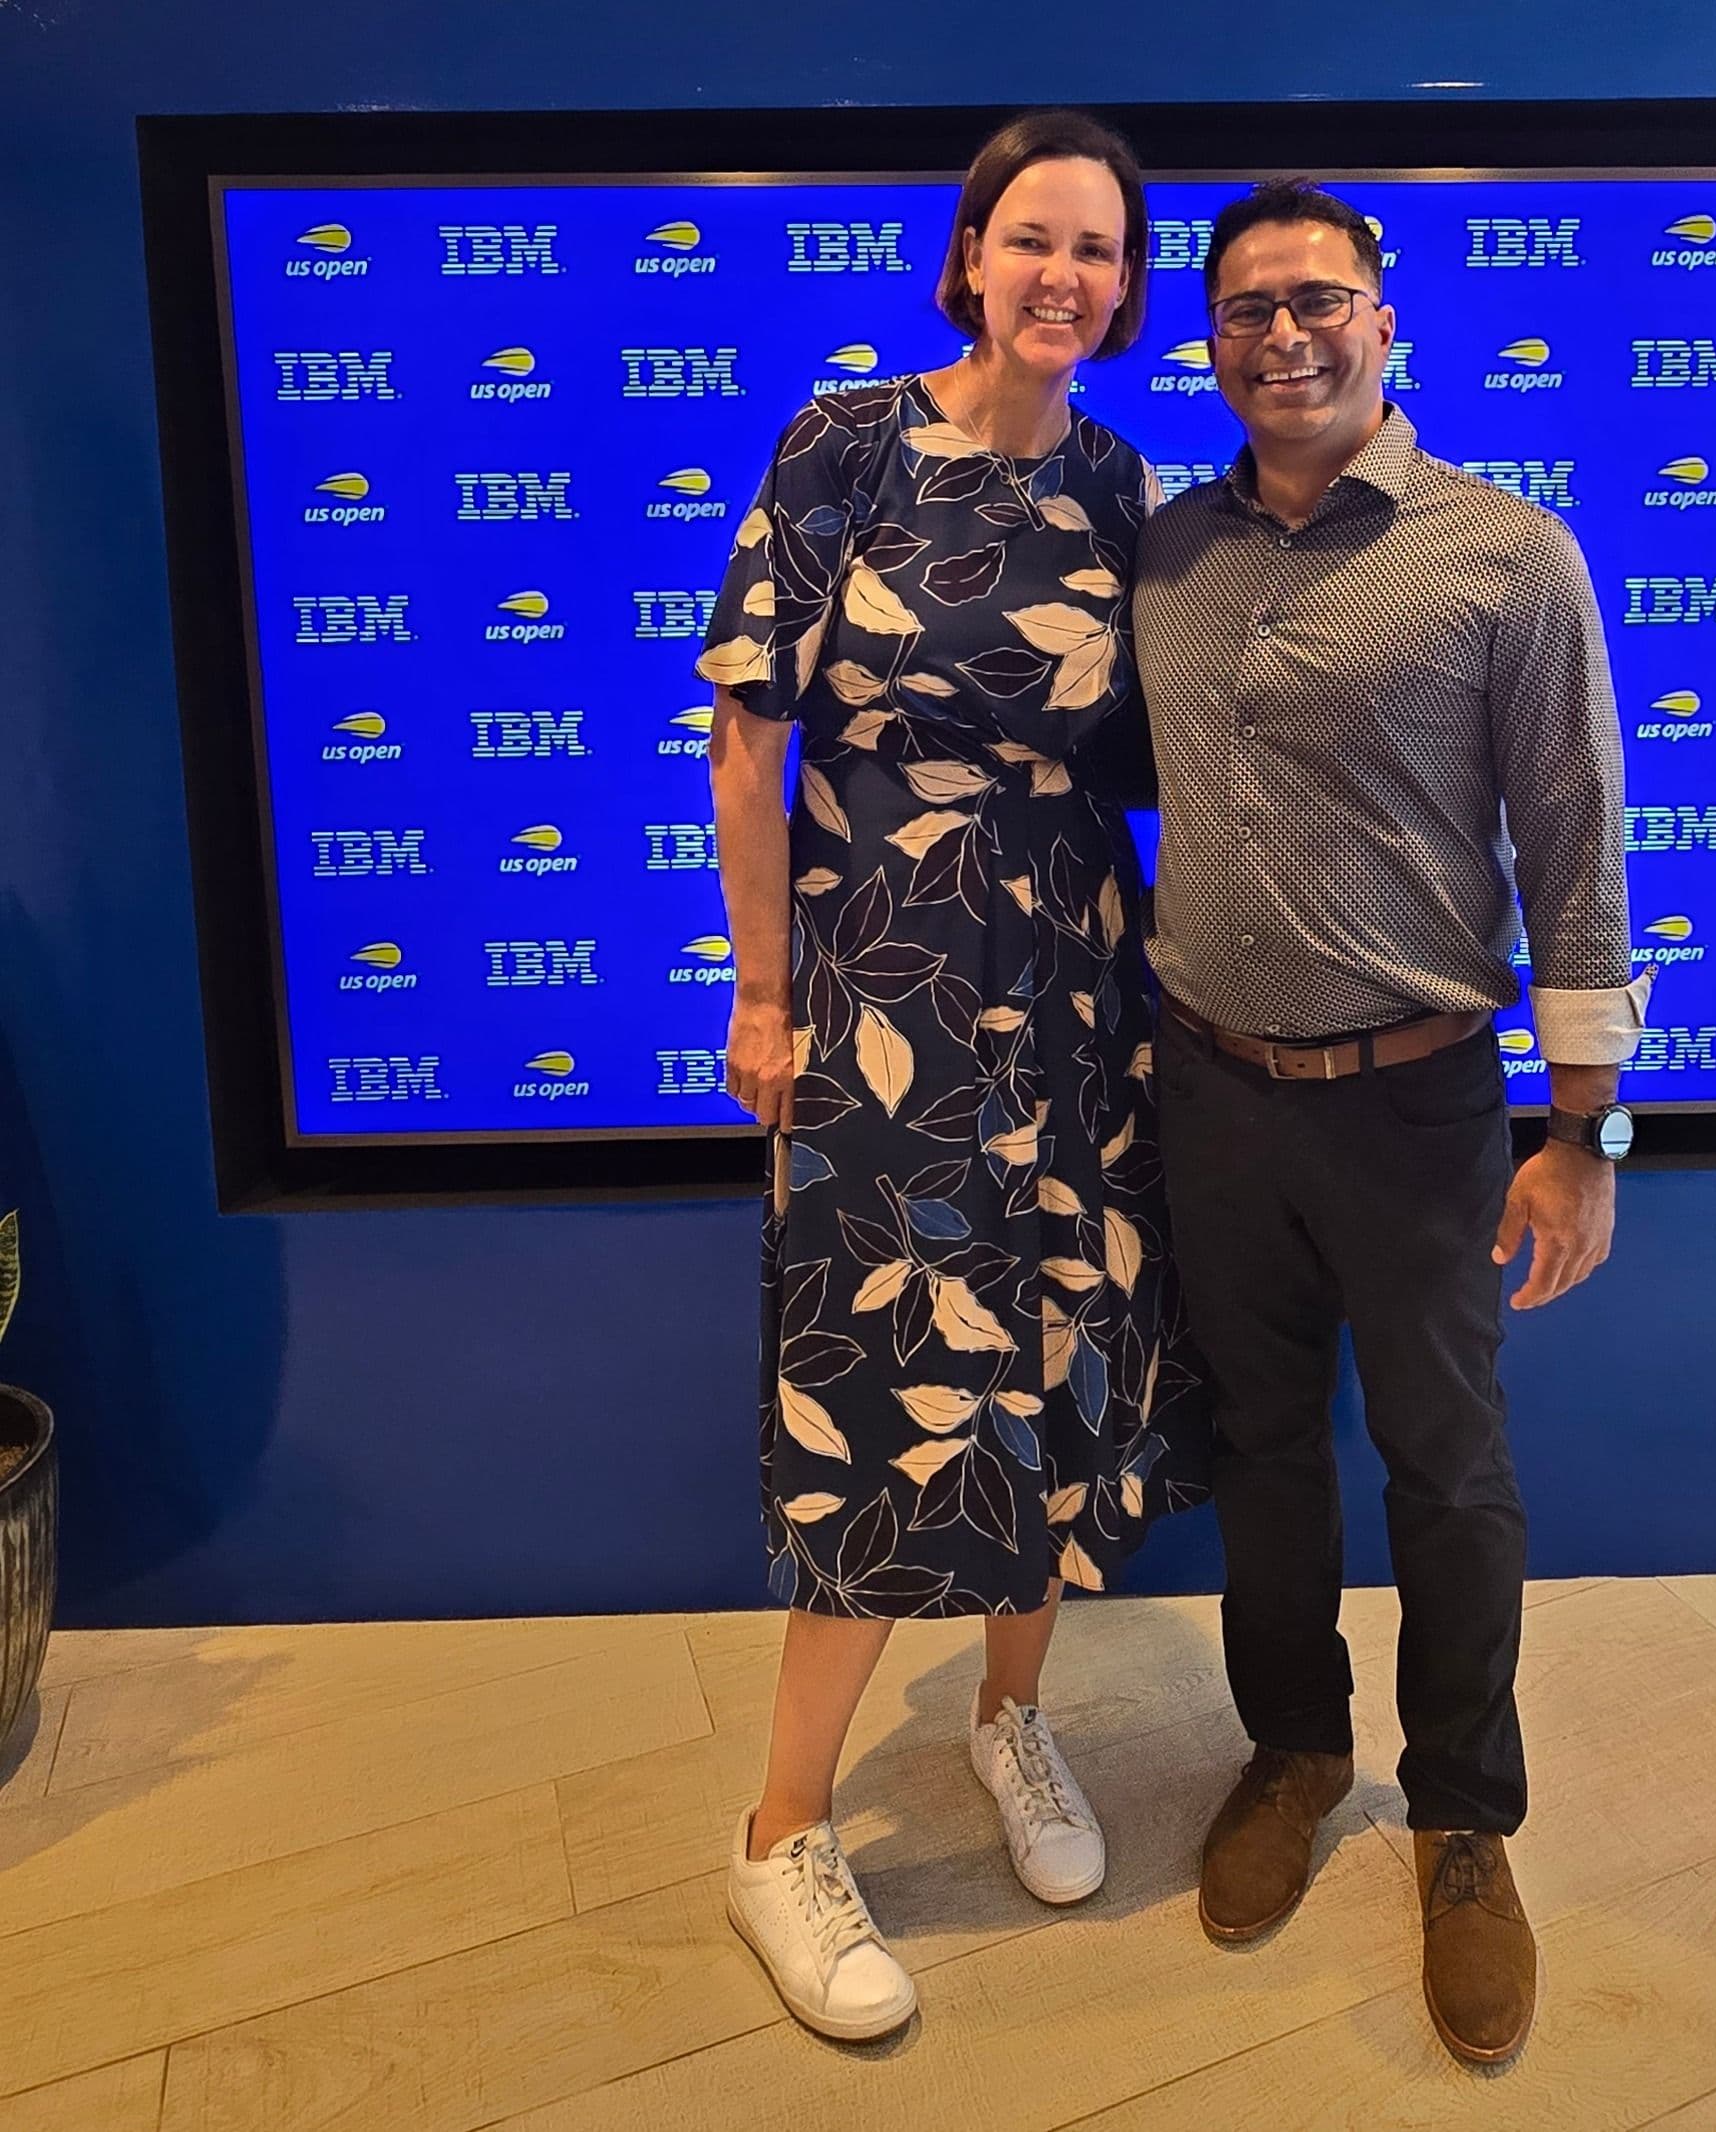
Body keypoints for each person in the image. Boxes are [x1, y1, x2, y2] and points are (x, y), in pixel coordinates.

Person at [697, 111, 1207, 2043]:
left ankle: (1012, 1722)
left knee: (1056, 1346)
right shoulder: (841, 444)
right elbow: (750, 740)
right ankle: (780, 1833)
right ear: (969, 255)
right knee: (875, 1377)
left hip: (1073, 982)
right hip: (883, 988)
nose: (1063, 277)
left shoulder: (1111, 471)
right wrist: (765, 995)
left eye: (1098, 250)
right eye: (1032, 241)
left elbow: (1142, 747)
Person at [1133, 179, 1651, 2069]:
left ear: (1385, 320)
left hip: (1422, 1099)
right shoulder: (1163, 551)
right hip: (1209, 1091)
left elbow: (1578, 846)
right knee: (1266, 1448)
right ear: (1209, 335)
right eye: (1250, 303)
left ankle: (1463, 1822)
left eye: (1321, 298)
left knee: (1448, 1469)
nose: (1286, 333)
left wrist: (1584, 1127)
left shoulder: (1506, 559)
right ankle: (1293, 1749)